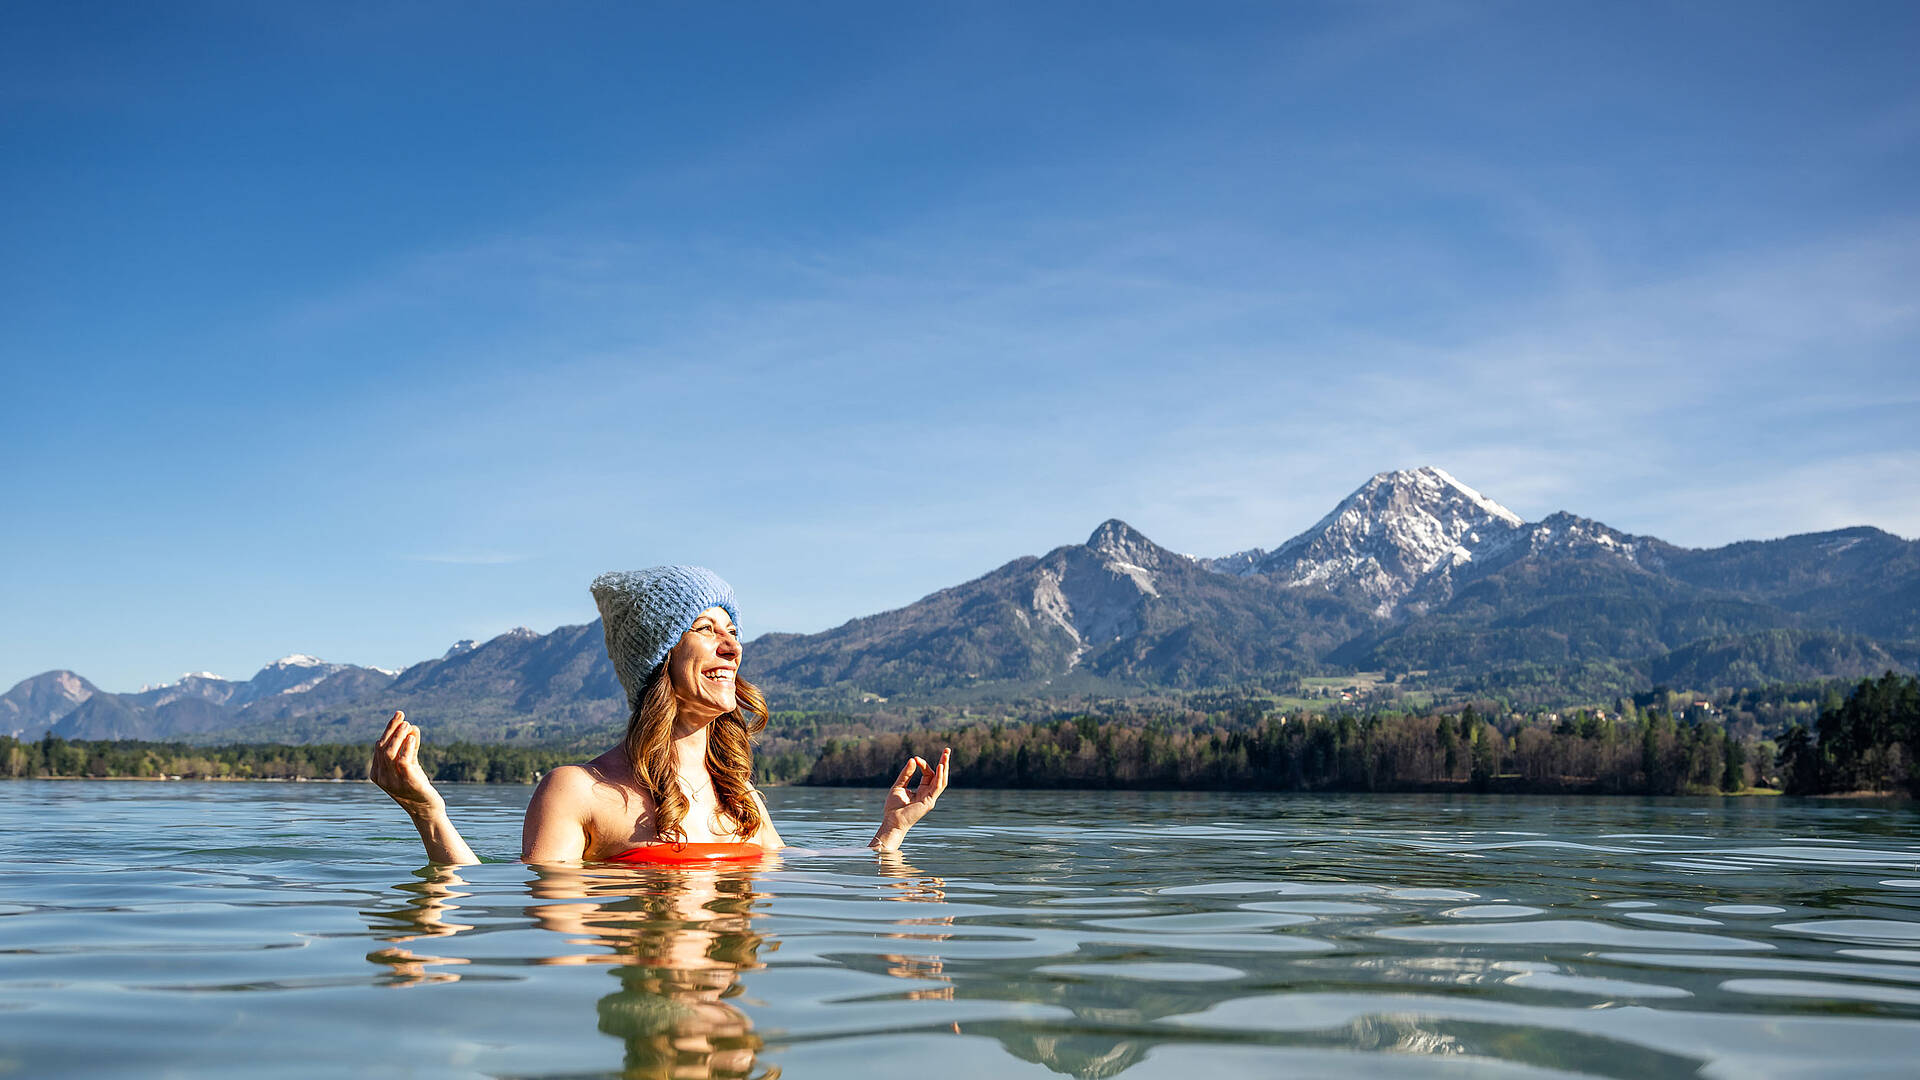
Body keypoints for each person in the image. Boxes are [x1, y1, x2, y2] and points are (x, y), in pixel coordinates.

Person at [369, 565, 948, 864]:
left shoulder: (738, 793)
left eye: (733, 632)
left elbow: (793, 871)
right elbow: (548, 935)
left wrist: (890, 834)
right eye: (705, 629)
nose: (732, 647)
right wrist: (429, 813)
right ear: (658, 658)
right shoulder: (576, 792)